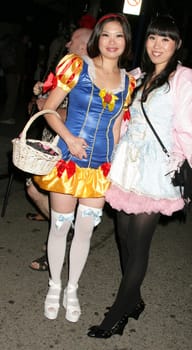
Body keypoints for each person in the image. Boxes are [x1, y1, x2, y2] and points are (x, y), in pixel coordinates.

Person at [87, 14, 192, 339]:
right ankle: (134, 299)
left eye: (166, 39)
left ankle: (118, 314)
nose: (157, 45)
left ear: (176, 44)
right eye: (152, 37)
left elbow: (188, 129)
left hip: (156, 169)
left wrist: (182, 163)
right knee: (122, 237)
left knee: (138, 245)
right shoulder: (136, 75)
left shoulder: (184, 77)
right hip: (127, 164)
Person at [32, 13, 135, 322]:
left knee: (85, 232)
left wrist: (114, 164)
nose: (112, 42)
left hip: (99, 168)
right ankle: (54, 286)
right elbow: (48, 109)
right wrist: (69, 138)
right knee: (60, 227)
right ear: (97, 40)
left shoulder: (128, 81)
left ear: (126, 42)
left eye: (119, 36)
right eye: (106, 35)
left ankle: (72, 288)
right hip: (67, 160)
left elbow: (117, 125)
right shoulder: (76, 66)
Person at [27, 27, 93, 271]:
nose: (67, 44)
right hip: (52, 142)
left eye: (72, 40)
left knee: (37, 191)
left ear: (85, 45)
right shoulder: (70, 66)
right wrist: (41, 94)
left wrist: (49, 106)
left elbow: (78, 114)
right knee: (36, 190)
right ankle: (63, 231)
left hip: (68, 148)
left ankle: (63, 238)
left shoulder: (87, 73)